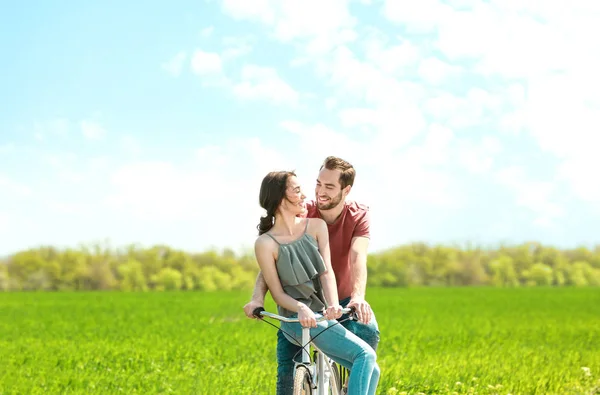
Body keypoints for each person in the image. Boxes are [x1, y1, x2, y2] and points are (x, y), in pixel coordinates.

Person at [244, 156, 380, 394]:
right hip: (299, 309)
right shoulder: (299, 215)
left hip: (338, 299)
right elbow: (270, 270)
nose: (317, 192)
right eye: (318, 183)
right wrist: (258, 299)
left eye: (329, 186)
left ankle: (353, 383)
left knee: (368, 341)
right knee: (287, 370)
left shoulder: (349, 217)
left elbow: (356, 256)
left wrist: (351, 298)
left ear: (345, 190)